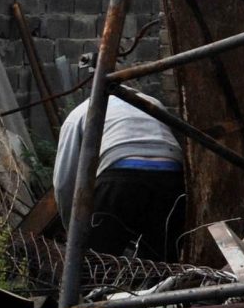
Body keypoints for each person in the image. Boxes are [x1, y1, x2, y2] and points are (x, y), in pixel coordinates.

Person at [52, 89, 186, 264]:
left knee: (95, 265)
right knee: (163, 263)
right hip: (172, 175)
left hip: (119, 176)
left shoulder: (80, 113)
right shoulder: (153, 102)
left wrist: (75, 231)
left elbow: (64, 184)